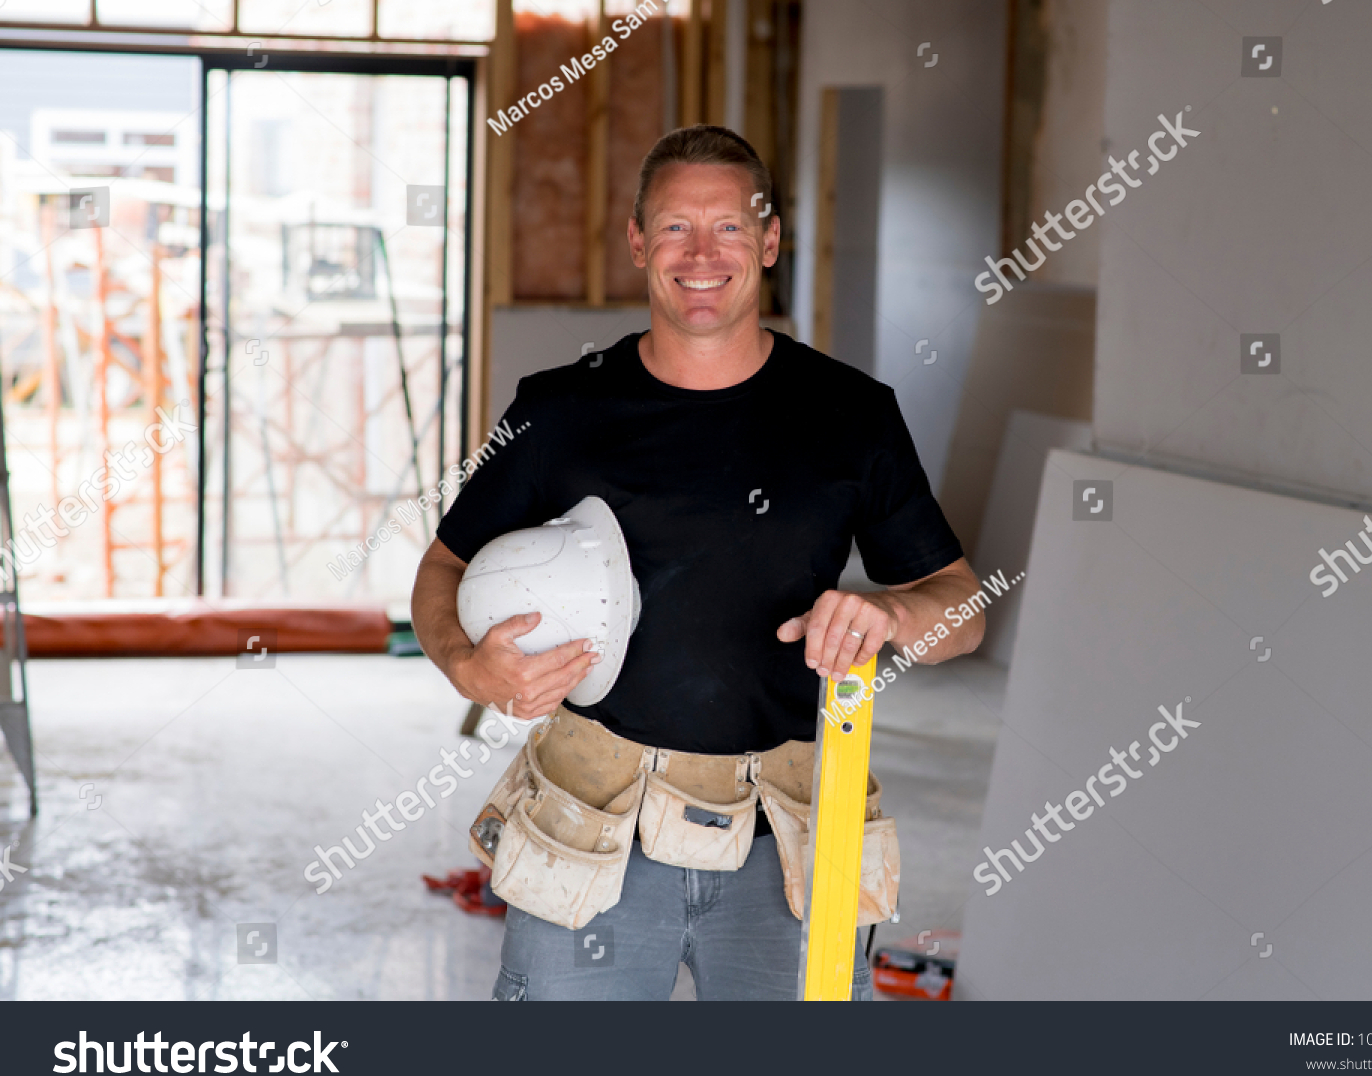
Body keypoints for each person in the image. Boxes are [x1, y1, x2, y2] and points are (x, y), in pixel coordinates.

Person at [411, 124, 984, 1000]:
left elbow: (963, 610)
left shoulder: (850, 415)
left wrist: (897, 617)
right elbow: (441, 569)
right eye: (676, 226)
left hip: (788, 840)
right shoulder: (561, 410)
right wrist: (468, 665)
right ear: (638, 241)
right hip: (591, 829)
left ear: (770, 240)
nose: (702, 252)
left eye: (729, 226)